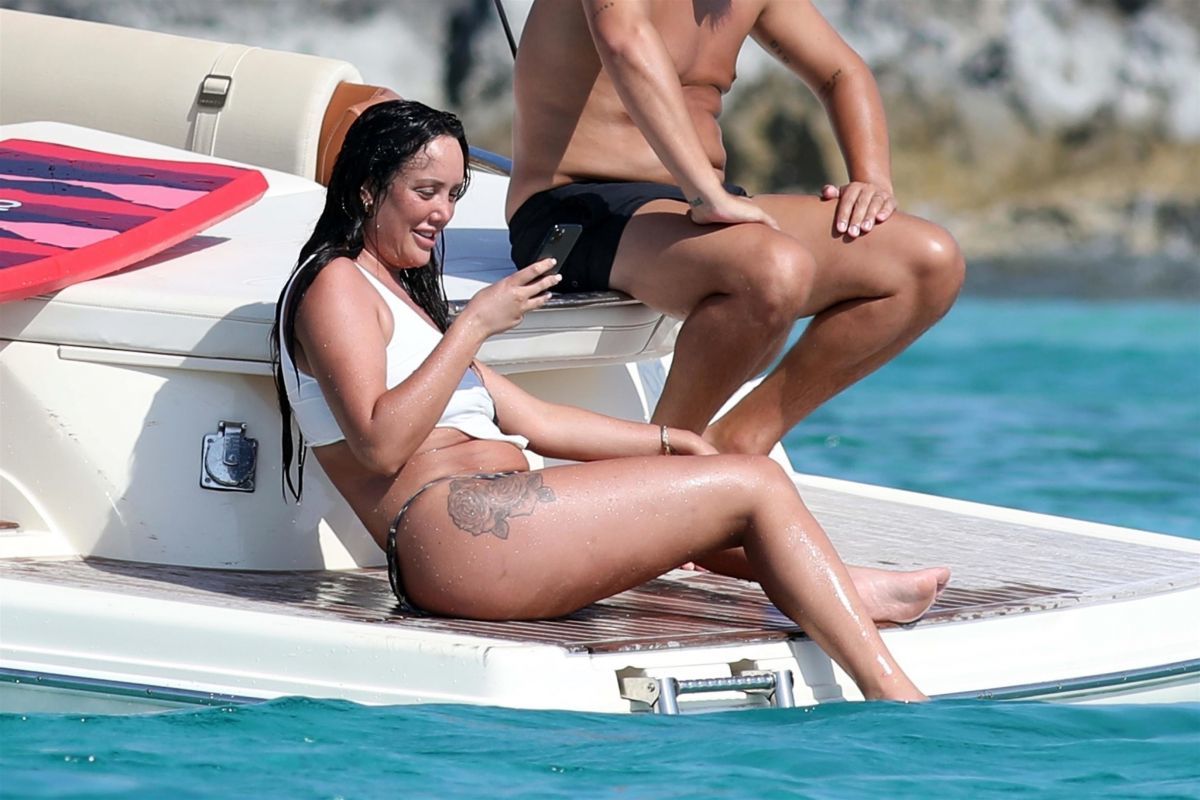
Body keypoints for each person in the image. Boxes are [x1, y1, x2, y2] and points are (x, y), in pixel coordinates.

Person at [271, 99, 948, 702]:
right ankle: (888, 688)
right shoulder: (335, 285)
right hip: (451, 540)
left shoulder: (400, 301)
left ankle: (841, 589)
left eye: (454, 193)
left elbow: (539, 421)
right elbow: (379, 442)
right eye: (426, 192)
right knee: (755, 485)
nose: (443, 213)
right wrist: (474, 324)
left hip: (490, 529)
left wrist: (670, 443)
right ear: (367, 189)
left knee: (726, 484)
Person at [507, 0, 966, 456]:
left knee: (928, 262)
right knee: (772, 268)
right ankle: (661, 457)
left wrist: (872, 180)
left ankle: (741, 439)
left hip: (695, 206)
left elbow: (840, 72)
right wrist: (704, 192)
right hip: (574, 208)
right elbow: (623, 39)